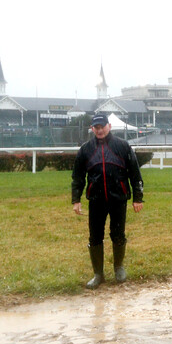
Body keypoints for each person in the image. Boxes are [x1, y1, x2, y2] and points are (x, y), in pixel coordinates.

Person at [71, 113, 144, 289]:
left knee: (118, 234)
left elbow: (135, 174)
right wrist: (76, 199)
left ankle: (119, 267)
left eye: (102, 126)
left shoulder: (123, 146)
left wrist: (138, 197)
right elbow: (78, 176)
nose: (99, 130)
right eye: (96, 127)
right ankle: (98, 274)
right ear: (92, 129)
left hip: (118, 198)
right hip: (96, 200)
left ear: (109, 126)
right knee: (95, 236)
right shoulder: (86, 149)